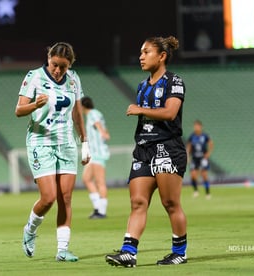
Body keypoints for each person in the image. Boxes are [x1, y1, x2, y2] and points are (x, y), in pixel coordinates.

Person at [105, 36, 188, 267]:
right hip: (143, 149)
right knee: (138, 202)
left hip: (167, 148)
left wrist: (139, 109)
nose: (141, 56)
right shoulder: (142, 86)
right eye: (141, 52)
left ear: (161, 56)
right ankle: (128, 252)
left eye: (146, 52)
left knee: (170, 203)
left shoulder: (174, 81)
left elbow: (170, 113)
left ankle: (179, 252)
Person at [15, 42, 91, 262]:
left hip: (66, 143)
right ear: (48, 59)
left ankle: (62, 249)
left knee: (65, 197)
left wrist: (84, 142)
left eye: (63, 67)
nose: (58, 71)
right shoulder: (35, 77)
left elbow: (77, 112)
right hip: (41, 142)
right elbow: (19, 110)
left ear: (70, 66)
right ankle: (30, 229)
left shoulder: (74, 79)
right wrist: (35, 105)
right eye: (54, 65)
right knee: (48, 198)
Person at [81, 96, 111, 219]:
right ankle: (98, 207)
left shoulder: (92, 114)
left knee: (100, 182)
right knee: (86, 179)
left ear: (82, 106)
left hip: (98, 153)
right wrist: (105, 132)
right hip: (94, 153)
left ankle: (101, 211)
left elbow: (98, 124)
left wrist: (103, 133)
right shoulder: (94, 114)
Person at [186, 119, 214, 199]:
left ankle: (207, 192)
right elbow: (188, 147)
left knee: (204, 175)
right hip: (194, 158)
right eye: (195, 126)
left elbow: (211, 144)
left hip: (203, 158)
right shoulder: (192, 136)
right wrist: (188, 156)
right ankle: (195, 191)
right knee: (193, 175)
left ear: (201, 127)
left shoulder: (205, 136)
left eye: (197, 126)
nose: (196, 128)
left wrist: (208, 154)